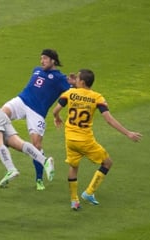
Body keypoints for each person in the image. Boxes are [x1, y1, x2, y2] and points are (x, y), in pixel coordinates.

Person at [0, 49, 75, 190]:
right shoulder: (37, 70)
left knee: (36, 145)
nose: (42, 61)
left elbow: (74, 92)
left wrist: (74, 83)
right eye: (41, 58)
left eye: (45, 58)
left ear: (53, 60)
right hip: (21, 101)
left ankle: (39, 179)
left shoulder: (60, 79)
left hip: (37, 111)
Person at [52, 69, 142, 210]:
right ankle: (89, 192)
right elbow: (108, 120)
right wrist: (128, 133)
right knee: (107, 163)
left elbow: (55, 110)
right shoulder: (97, 97)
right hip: (86, 141)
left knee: (73, 167)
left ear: (81, 82)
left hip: (70, 139)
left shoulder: (69, 93)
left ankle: (74, 201)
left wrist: (57, 118)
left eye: (77, 78)